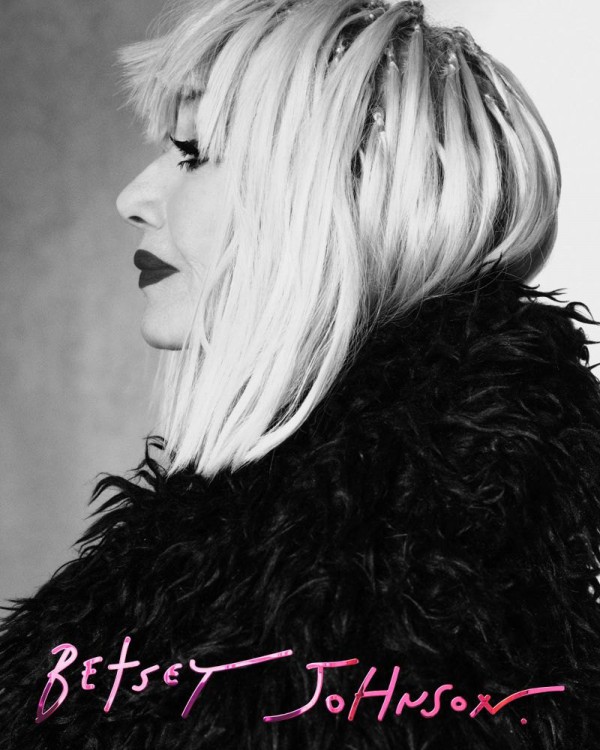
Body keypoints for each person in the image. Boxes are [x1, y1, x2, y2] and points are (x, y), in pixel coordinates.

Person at [1, 0, 599, 748]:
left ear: (353, 191)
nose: (133, 199)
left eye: (194, 153)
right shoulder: (313, 563)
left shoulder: (351, 617)